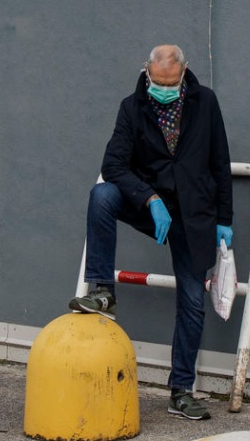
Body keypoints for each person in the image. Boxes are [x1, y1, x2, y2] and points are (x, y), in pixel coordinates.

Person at [69, 44, 233, 421]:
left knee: (192, 301)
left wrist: (226, 217)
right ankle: (102, 291)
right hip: (152, 207)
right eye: (157, 82)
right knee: (102, 195)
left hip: (194, 215)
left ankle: (181, 391)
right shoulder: (132, 107)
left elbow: (220, 163)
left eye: (171, 83)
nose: (163, 89)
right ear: (147, 72)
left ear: (184, 73)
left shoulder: (205, 102)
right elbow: (112, 164)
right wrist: (149, 199)